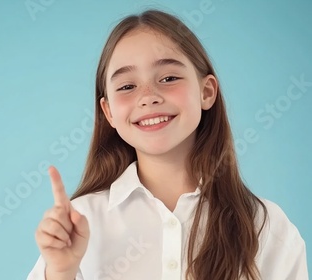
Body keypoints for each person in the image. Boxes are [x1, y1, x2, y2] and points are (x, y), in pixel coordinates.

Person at [27, 9, 308, 280]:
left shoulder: (265, 225)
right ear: (108, 111)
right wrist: (61, 273)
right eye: (127, 86)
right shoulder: (81, 222)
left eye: (169, 78)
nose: (148, 97)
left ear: (206, 92)